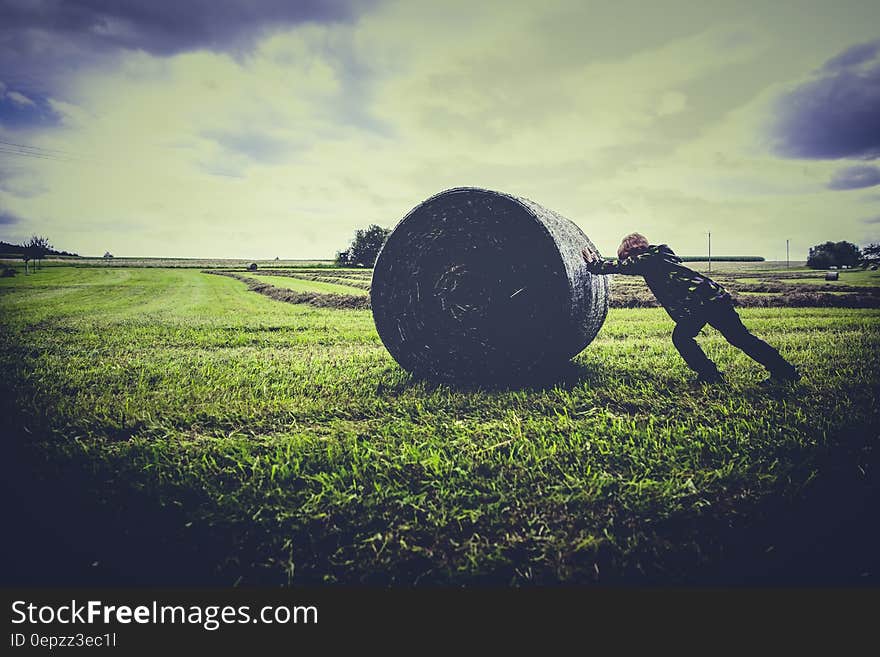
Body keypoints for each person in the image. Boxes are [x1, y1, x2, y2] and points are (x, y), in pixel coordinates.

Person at [581, 232, 801, 385]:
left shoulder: (650, 258)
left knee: (686, 338)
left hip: (703, 303)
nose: (628, 260)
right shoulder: (657, 258)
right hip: (710, 300)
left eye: (627, 255)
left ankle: (711, 375)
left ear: (634, 251)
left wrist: (593, 265)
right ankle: (783, 371)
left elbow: (623, 267)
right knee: (739, 338)